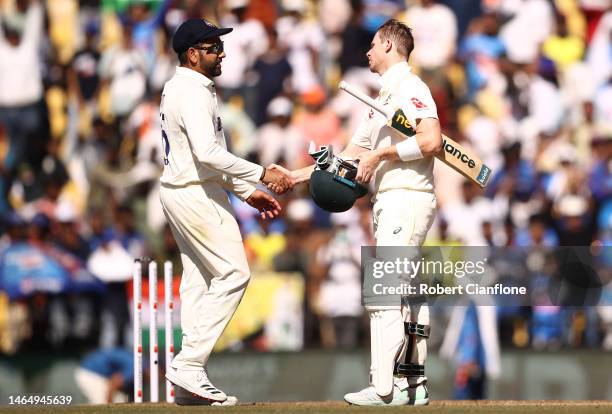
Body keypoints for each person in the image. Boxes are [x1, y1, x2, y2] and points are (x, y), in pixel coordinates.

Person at [274, 19, 442, 406]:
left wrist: (381, 153)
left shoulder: (410, 88)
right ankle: (412, 386)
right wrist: (294, 177)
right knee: (407, 296)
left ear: (387, 45)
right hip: (389, 200)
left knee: (383, 292)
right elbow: (348, 157)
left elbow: (430, 140)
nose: (366, 52)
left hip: (407, 196)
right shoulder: (379, 100)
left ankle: (383, 388)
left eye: (372, 45)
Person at [159, 18, 292, 406]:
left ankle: (187, 383)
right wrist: (263, 174)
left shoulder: (183, 87)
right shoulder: (192, 92)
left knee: (200, 280)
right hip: (195, 194)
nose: (222, 53)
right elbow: (208, 154)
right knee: (235, 272)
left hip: (184, 189)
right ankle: (189, 364)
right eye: (214, 47)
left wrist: (247, 191)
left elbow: (204, 157)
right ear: (192, 54)